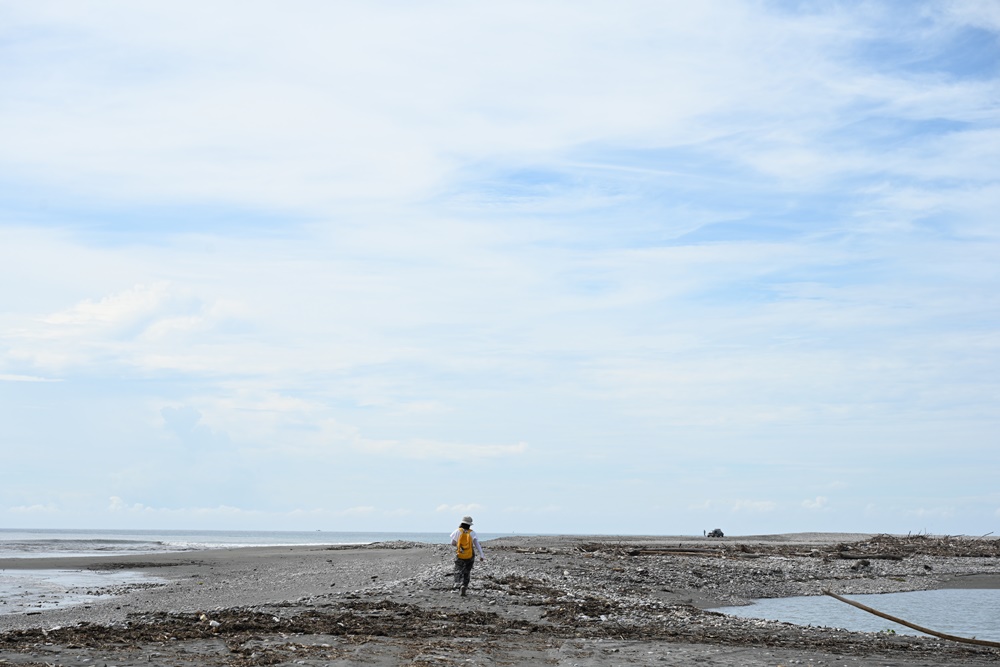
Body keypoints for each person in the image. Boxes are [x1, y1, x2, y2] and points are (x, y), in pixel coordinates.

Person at [450, 515, 485, 596]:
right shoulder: (472, 533)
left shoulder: (457, 531)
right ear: (470, 524)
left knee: (458, 570)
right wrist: (482, 554)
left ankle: (457, 586)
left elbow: (452, 543)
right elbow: (477, 544)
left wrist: (460, 546)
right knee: (467, 571)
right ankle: (464, 586)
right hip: (470, 554)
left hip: (460, 554)